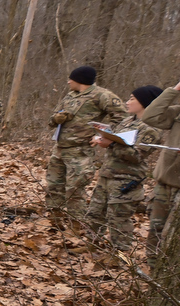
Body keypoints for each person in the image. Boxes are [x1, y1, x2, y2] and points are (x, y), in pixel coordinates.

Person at [78, 85, 162, 264]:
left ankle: (120, 255)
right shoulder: (126, 121)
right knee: (95, 212)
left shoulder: (151, 128)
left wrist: (111, 144)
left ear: (145, 103)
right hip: (108, 175)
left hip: (126, 180)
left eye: (132, 99)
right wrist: (102, 138)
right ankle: (92, 244)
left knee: (118, 219)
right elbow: (114, 139)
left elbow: (138, 155)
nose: (127, 102)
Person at [47, 66, 126, 224]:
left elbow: (122, 119)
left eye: (71, 79)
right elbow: (51, 120)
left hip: (80, 151)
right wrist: (57, 119)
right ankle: (55, 221)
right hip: (60, 148)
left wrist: (101, 136)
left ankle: (76, 227)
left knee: (74, 191)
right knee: (53, 187)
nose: (68, 81)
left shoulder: (102, 95)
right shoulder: (70, 95)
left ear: (80, 80)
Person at [142, 80, 180, 268]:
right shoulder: (178, 110)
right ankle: (152, 271)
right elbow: (150, 116)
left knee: (173, 237)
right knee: (155, 230)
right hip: (165, 182)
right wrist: (174, 90)